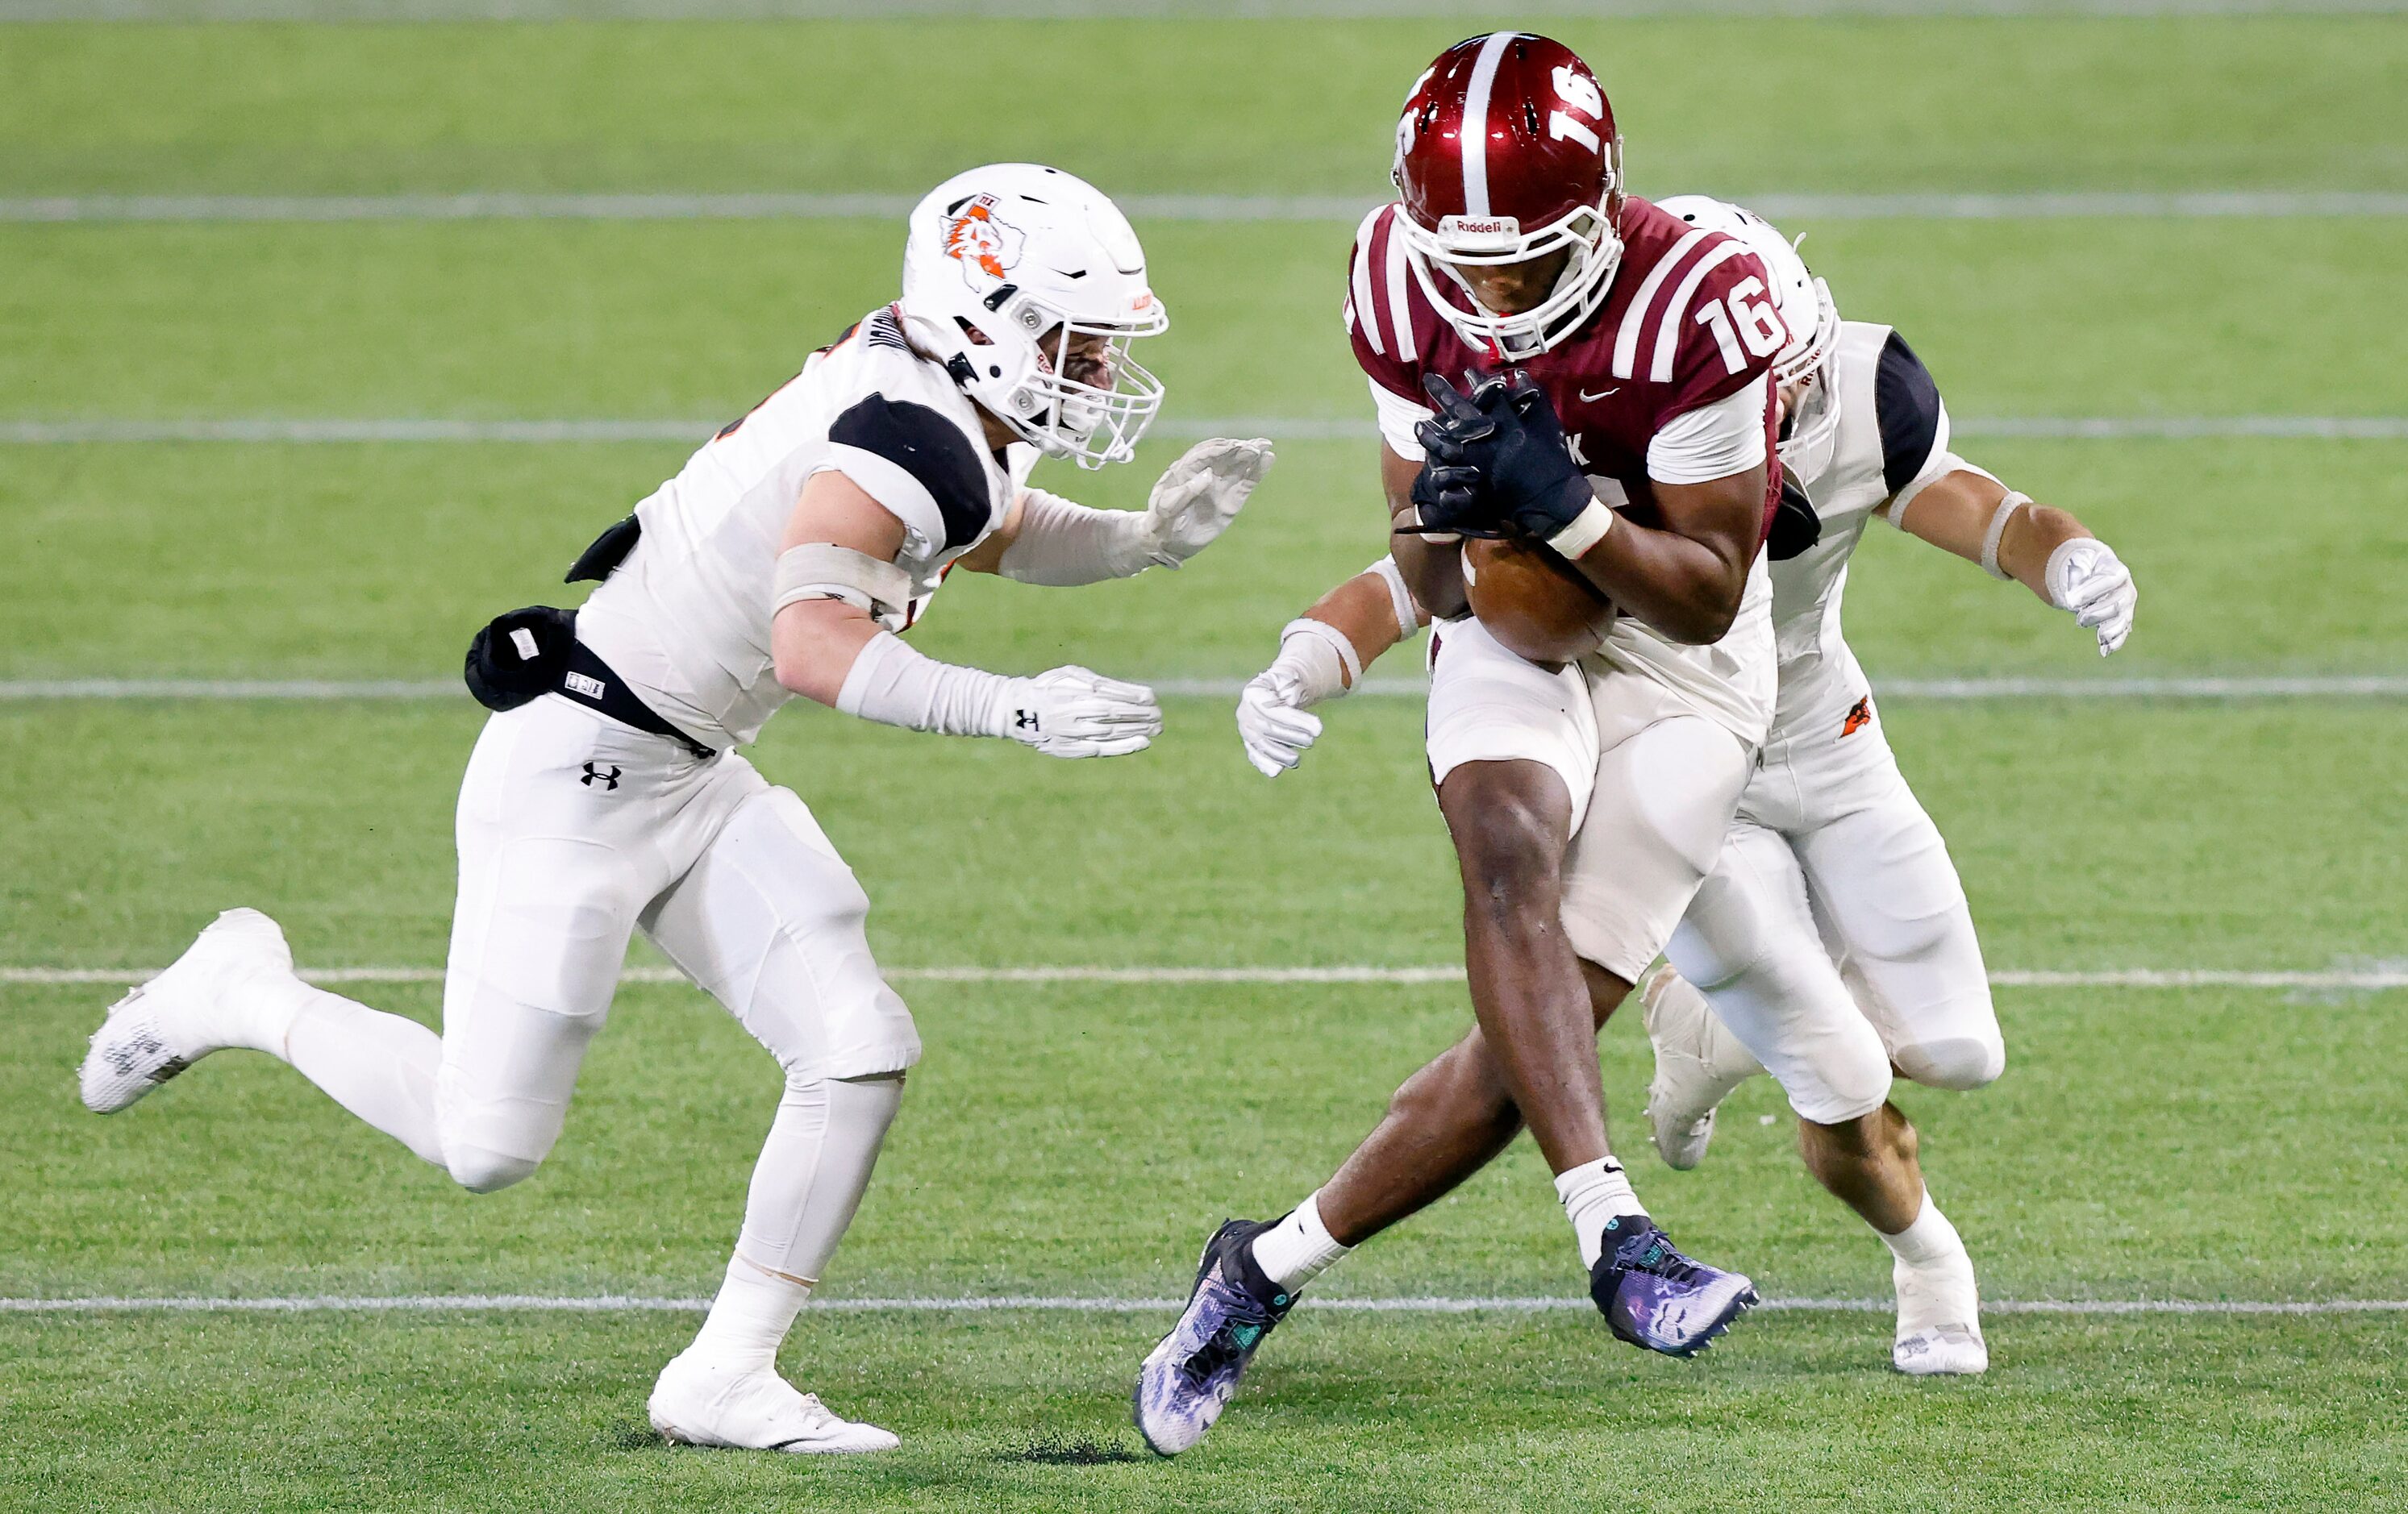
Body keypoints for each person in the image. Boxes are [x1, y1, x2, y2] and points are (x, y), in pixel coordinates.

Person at [80, 163, 1273, 1455]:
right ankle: (238, 991)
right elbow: (815, 643)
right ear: (983, 315)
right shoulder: (903, 429)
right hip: (581, 770)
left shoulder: (941, 400)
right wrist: (1013, 708)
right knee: (483, 1142)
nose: (1094, 369)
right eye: (1073, 338)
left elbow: (979, 522)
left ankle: (724, 1372)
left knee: (857, 1044)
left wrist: (1138, 538)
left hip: (687, 764)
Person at [1235, 194, 2139, 1378]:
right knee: (1843, 1068)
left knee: (1961, 1047)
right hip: (1690, 755)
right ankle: (1927, 1259)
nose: (1776, 407)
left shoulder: (1845, 389)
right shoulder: (1624, 404)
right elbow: (1455, 570)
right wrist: (1310, 653)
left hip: (1826, 737)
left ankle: (1704, 1025)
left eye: (1786, 383)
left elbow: (1977, 503)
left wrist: (2064, 553)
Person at [1136, 33, 1786, 1457]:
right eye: (1463, 260)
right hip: (1510, 608)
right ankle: (1614, 1233)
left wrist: (1563, 511)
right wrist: (1441, 524)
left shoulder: (1698, 302)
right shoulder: (1391, 272)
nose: (1488, 292)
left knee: (1531, 1036)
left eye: (1523, 260)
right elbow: (1434, 584)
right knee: (1505, 856)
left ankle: (1259, 1269)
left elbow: (1708, 594)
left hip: (1687, 661)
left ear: (1605, 206)